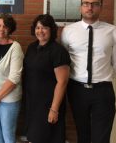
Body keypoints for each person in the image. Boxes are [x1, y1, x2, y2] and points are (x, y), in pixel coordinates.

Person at [61, 0, 116, 143]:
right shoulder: (68, 31)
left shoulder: (113, 31)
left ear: (101, 7)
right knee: (83, 134)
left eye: (95, 4)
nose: (90, 7)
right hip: (77, 90)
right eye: (86, 3)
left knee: (101, 137)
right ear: (81, 7)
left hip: (103, 91)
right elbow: (65, 61)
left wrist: (103, 77)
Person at [23, 14, 70, 143]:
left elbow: (62, 82)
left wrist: (54, 109)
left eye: (44, 28)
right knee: (33, 138)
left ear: (51, 30)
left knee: (47, 138)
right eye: (38, 28)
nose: (40, 31)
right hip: (33, 104)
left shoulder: (58, 51)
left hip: (48, 105)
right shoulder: (32, 48)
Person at [0, 14, 24, 143]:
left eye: (5, 26)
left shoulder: (15, 48)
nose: (1, 29)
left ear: (10, 29)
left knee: (8, 136)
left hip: (8, 100)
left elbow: (14, 78)